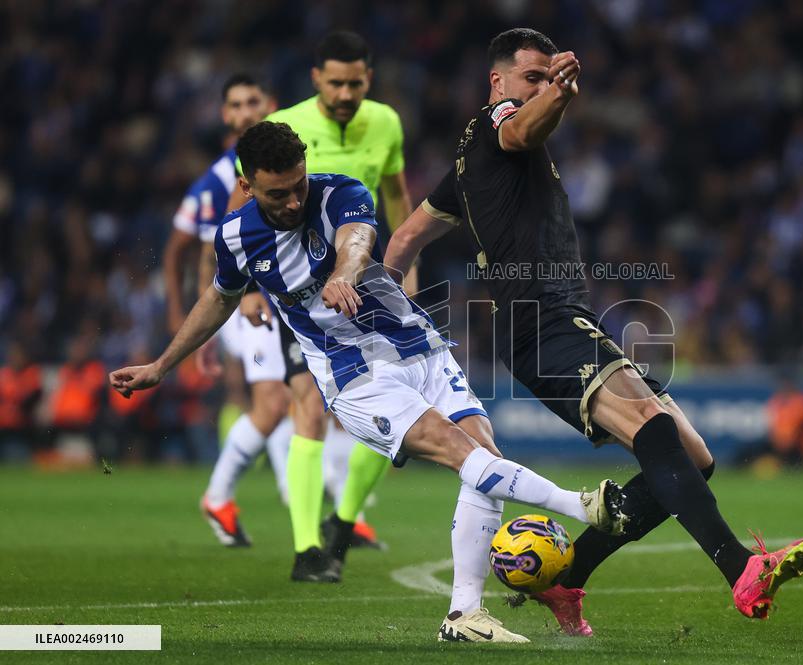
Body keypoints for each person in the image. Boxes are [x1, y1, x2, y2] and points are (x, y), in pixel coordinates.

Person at [110, 121, 627, 643]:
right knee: (463, 453)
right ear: (246, 186)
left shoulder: (340, 192)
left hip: (416, 346)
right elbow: (220, 298)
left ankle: (464, 614)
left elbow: (356, 241)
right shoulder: (236, 237)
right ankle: (580, 504)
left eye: (297, 185)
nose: (292, 201)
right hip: (353, 376)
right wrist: (161, 365)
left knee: (483, 454)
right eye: (276, 193)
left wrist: (344, 272)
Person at [384, 28, 803, 634]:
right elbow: (523, 128)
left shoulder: (466, 164)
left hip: (561, 317)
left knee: (693, 456)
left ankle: (569, 575)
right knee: (652, 428)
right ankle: (742, 569)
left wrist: (386, 306)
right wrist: (559, 93)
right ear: (498, 82)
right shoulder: (497, 127)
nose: (536, 88)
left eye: (545, 77)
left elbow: (405, 238)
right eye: (528, 78)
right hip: (542, 320)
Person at [220, 30, 415, 567]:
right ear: (316, 80)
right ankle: (307, 548)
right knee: (306, 403)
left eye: (356, 83)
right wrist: (250, 287)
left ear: (368, 79)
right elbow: (254, 204)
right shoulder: (291, 128)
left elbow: (396, 196)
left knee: (400, 405)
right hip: (300, 293)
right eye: (336, 83)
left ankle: (344, 519)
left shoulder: (387, 122)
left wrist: (408, 263)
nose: (347, 93)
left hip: (370, 286)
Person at [162, 74, 297, 549]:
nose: (244, 112)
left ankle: (293, 493)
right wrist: (195, 319)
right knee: (276, 403)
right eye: (236, 105)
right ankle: (221, 496)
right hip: (244, 303)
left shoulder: (275, 161)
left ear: (271, 104)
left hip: (267, 297)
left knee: (294, 402)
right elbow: (201, 249)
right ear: (225, 114)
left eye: (252, 102)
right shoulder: (220, 179)